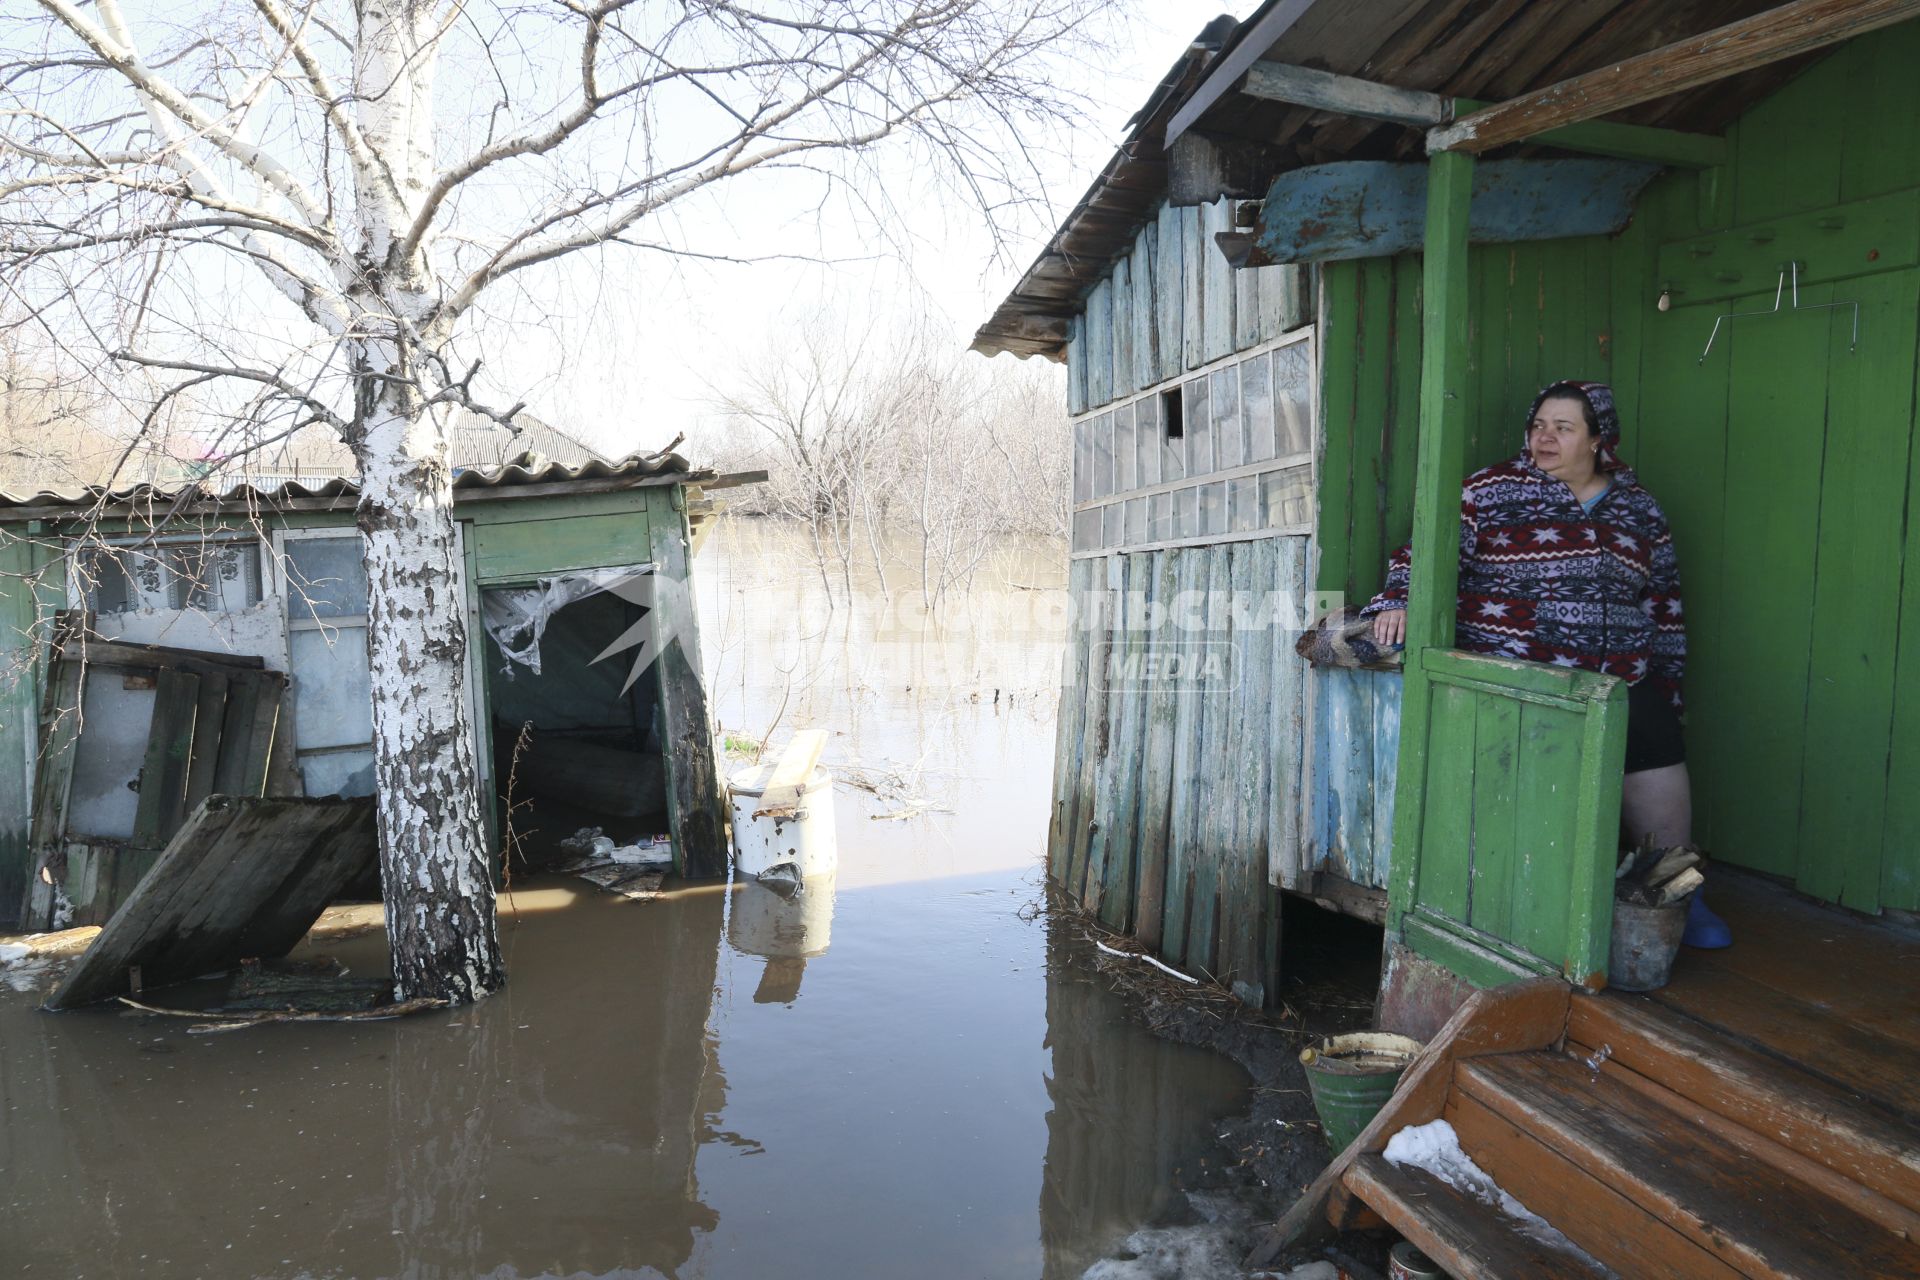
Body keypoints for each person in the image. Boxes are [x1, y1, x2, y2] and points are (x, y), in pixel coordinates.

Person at [1360, 380, 1730, 948]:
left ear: (1599, 440)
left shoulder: (1639, 508)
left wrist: (1667, 688)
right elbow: (1423, 554)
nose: (1545, 438)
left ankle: (1678, 892)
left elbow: (1664, 603)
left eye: (1563, 427)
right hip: (1522, 677)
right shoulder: (1489, 491)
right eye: (1538, 426)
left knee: (1657, 742)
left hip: (1619, 677)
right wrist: (1395, 602)